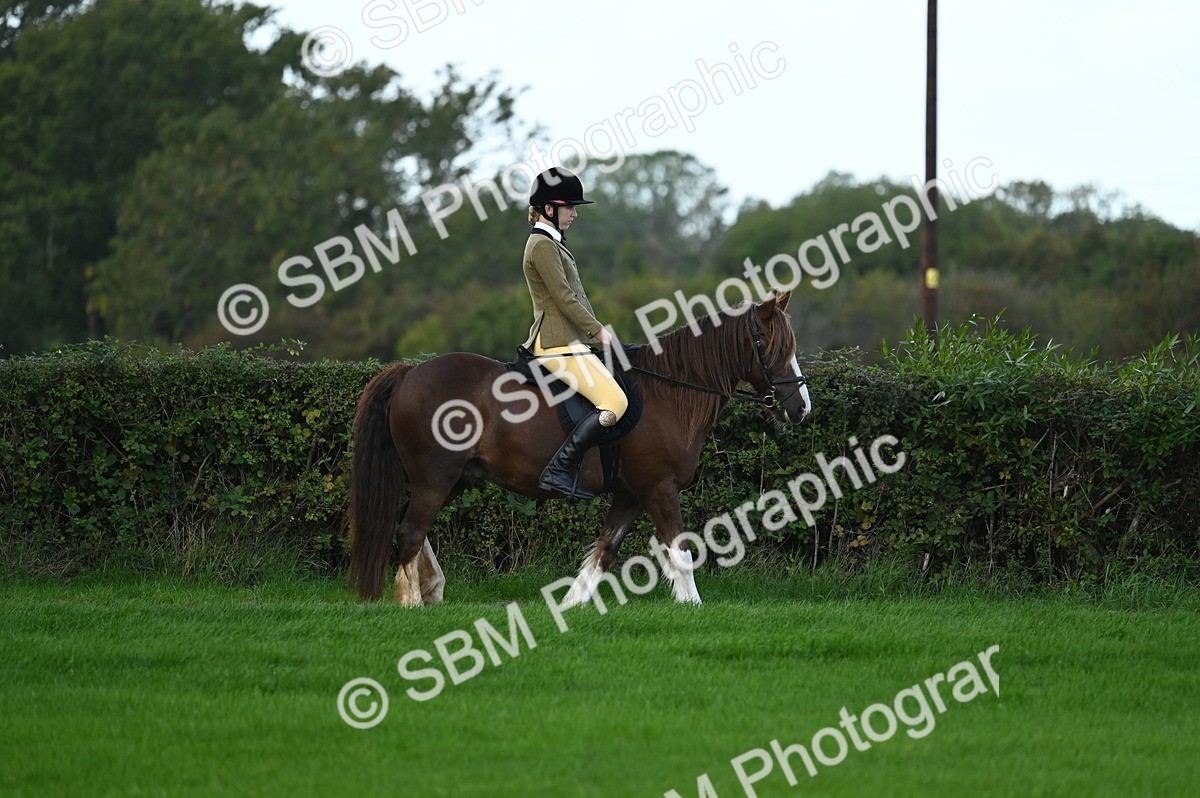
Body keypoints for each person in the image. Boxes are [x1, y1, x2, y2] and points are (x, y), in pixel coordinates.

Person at [522, 167, 628, 500]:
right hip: (554, 345)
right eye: (570, 207)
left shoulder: (552, 243)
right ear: (549, 208)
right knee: (614, 402)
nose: (575, 213)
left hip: (569, 341)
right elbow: (565, 298)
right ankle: (558, 469)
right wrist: (599, 333)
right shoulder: (541, 246)